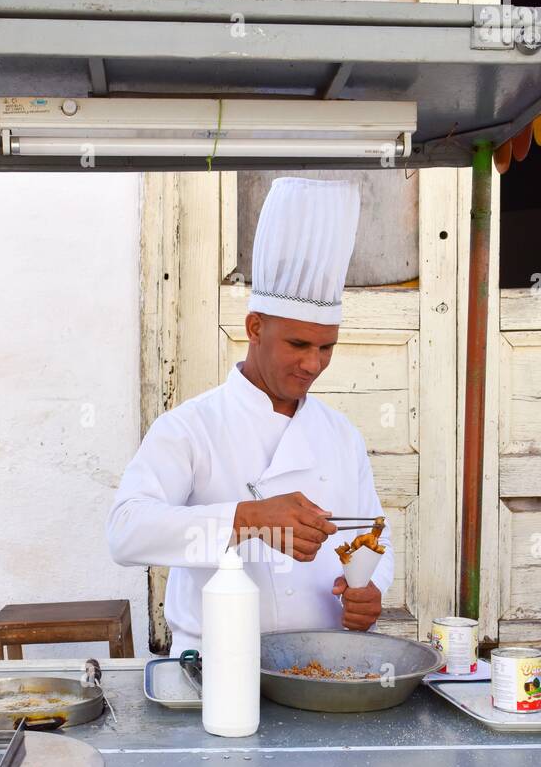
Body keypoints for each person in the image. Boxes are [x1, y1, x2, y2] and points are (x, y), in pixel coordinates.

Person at [107, 176, 394, 655]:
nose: (313, 363)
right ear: (255, 327)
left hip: (320, 667)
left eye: (327, 347)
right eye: (298, 344)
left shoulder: (340, 435)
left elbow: (369, 531)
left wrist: (370, 590)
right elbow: (126, 533)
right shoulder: (190, 427)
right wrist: (248, 519)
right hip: (212, 666)